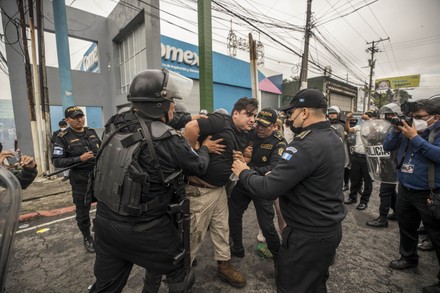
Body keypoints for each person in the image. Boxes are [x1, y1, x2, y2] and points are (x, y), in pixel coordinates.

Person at [89, 69, 224, 293]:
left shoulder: (115, 123)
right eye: (171, 101)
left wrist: (190, 118)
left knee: (105, 287)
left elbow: (154, 119)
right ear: (160, 105)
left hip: (105, 224)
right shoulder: (168, 140)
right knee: (181, 275)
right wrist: (205, 149)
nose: (173, 105)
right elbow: (198, 166)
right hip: (147, 230)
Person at [231, 89, 346, 292]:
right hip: (328, 230)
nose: (289, 117)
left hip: (307, 236)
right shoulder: (333, 138)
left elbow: (268, 189)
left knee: (291, 286)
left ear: (304, 112)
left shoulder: (304, 145)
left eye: (291, 113)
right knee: (315, 285)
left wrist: (243, 172)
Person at [183, 97, 258, 288]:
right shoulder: (221, 121)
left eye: (254, 116)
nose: (252, 119)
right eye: (248, 114)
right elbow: (191, 127)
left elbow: (234, 162)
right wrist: (194, 153)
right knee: (193, 234)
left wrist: (243, 159)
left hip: (219, 190)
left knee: (222, 229)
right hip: (200, 190)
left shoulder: (242, 135)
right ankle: (180, 273)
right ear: (235, 114)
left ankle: (224, 265)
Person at [383, 98, 440, 293]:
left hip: (430, 193)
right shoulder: (408, 128)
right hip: (406, 188)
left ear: (436, 117)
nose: (415, 120)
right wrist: (396, 130)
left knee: (436, 235)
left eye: (419, 117)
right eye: (412, 117)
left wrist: (415, 137)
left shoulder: (435, 132)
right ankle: (408, 258)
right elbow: (387, 146)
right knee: (406, 226)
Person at [228, 108, 286, 266]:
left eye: (265, 126)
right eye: (258, 123)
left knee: (266, 225)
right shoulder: (251, 133)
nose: (260, 128)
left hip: (261, 186)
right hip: (244, 182)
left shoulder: (279, 142)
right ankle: (237, 247)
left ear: (274, 126)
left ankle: (278, 258)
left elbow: (275, 167)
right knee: (233, 214)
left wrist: (248, 170)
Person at [52, 106, 101, 253]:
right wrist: (80, 158)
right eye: (76, 117)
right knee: (82, 212)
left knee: (105, 206)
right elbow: (57, 162)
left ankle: (100, 230)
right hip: (81, 180)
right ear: (67, 120)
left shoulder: (91, 132)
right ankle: (87, 237)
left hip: (99, 177)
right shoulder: (62, 137)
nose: (80, 119)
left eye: (81, 116)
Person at [365, 103, 399, 228]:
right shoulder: (384, 128)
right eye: (387, 114)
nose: (389, 117)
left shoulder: (399, 128)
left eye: (392, 114)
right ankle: (397, 212)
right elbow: (371, 138)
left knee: (385, 191)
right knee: (390, 190)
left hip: (394, 163)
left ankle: (383, 218)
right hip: (385, 162)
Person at [344, 110, 375, 210]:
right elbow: (348, 130)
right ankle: (352, 197)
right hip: (357, 156)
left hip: (368, 158)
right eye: (364, 117)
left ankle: (364, 201)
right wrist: (348, 119)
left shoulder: (376, 128)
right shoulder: (358, 127)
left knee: (368, 181)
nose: (365, 118)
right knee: (354, 179)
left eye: (368, 116)